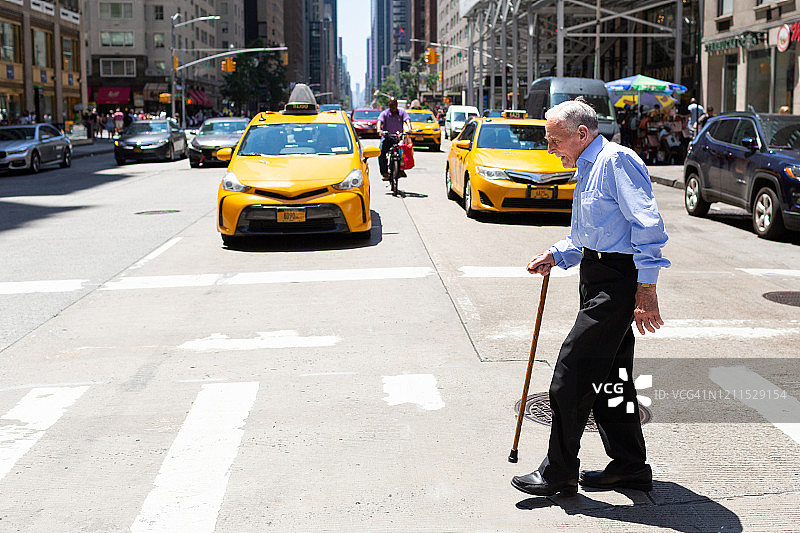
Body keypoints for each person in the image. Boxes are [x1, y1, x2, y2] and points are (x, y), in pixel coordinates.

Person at [511, 98, 669, 497]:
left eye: (554, 140)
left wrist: (646, 290)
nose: (550, 149)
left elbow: (647, 226)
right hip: (595, 277)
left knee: (570, 376)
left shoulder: (616, 162)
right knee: (612, 381)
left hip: (617, 283)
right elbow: (591, 235)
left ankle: (558, 472)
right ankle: (630, 467)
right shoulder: (586, 167)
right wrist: (557, 254)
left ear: (582, 134)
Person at [376, 97, 411, 180]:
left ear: (397, 105)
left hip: (398, 138)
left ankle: (401, 170)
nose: (393, 106)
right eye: (391, 104)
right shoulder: (384, 113)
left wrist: (409, 129)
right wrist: (379, 130)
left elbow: (407, 120)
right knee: (381, 152)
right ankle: (384, 173)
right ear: (389, 105)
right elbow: (379, 121)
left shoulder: (402, 112)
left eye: (394, 104)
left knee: (404, 152)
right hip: (387, 137)